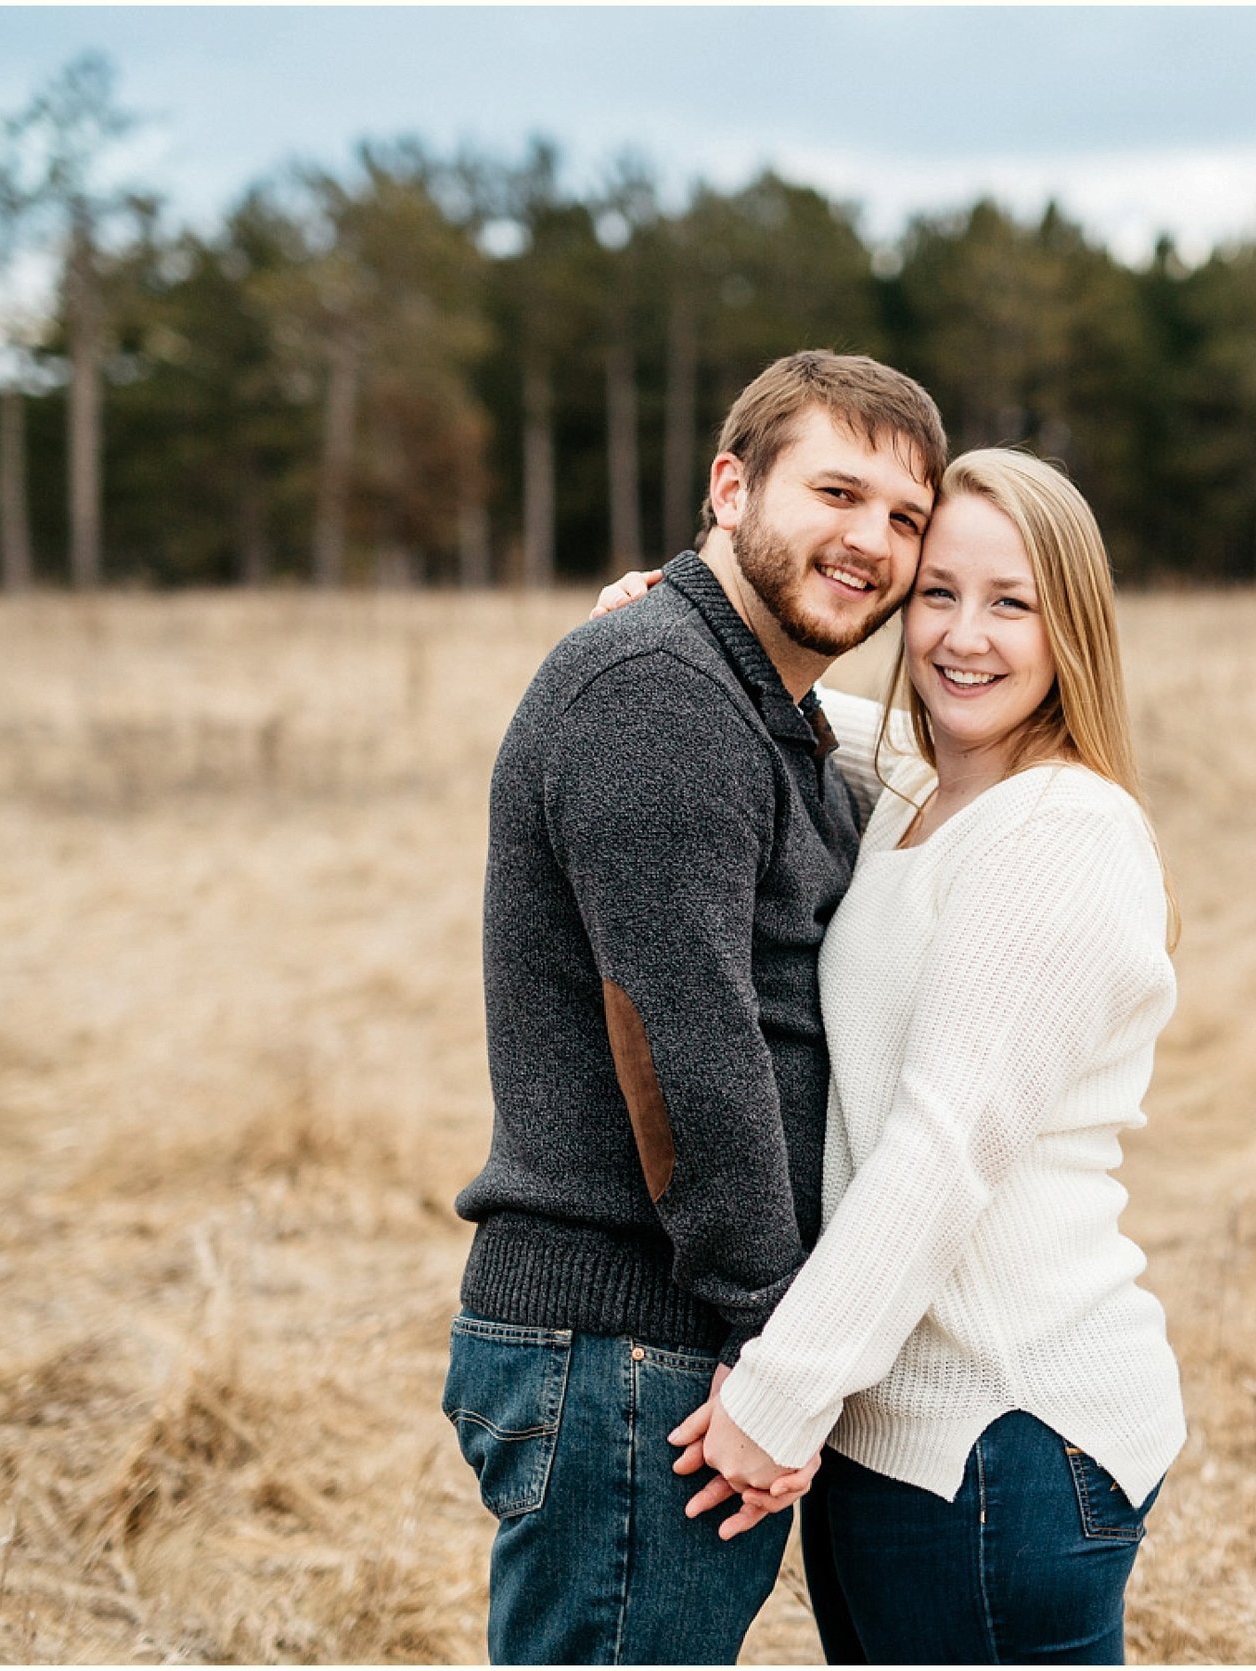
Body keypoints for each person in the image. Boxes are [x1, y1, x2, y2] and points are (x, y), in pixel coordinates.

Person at [600, 449, 1187, 1664]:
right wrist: (683, 641)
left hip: (1003, 1431)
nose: (963, 637)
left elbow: (940, 1150)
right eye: (936, 594)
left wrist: (776, 1397)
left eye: (1011, 602)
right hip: (903, 1436)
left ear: (1070, 623)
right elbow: (834, 732)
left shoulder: (1061, 831)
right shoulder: (937, 788)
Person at [442, 350, 947, 1664]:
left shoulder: (756, 709)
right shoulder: (659, 690)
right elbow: (688, 1042)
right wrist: (773, 1337)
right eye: (837, 491)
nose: (873, 542)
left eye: (906, 516)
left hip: (664, 1341)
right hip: (637, 1341)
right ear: (731, 486)